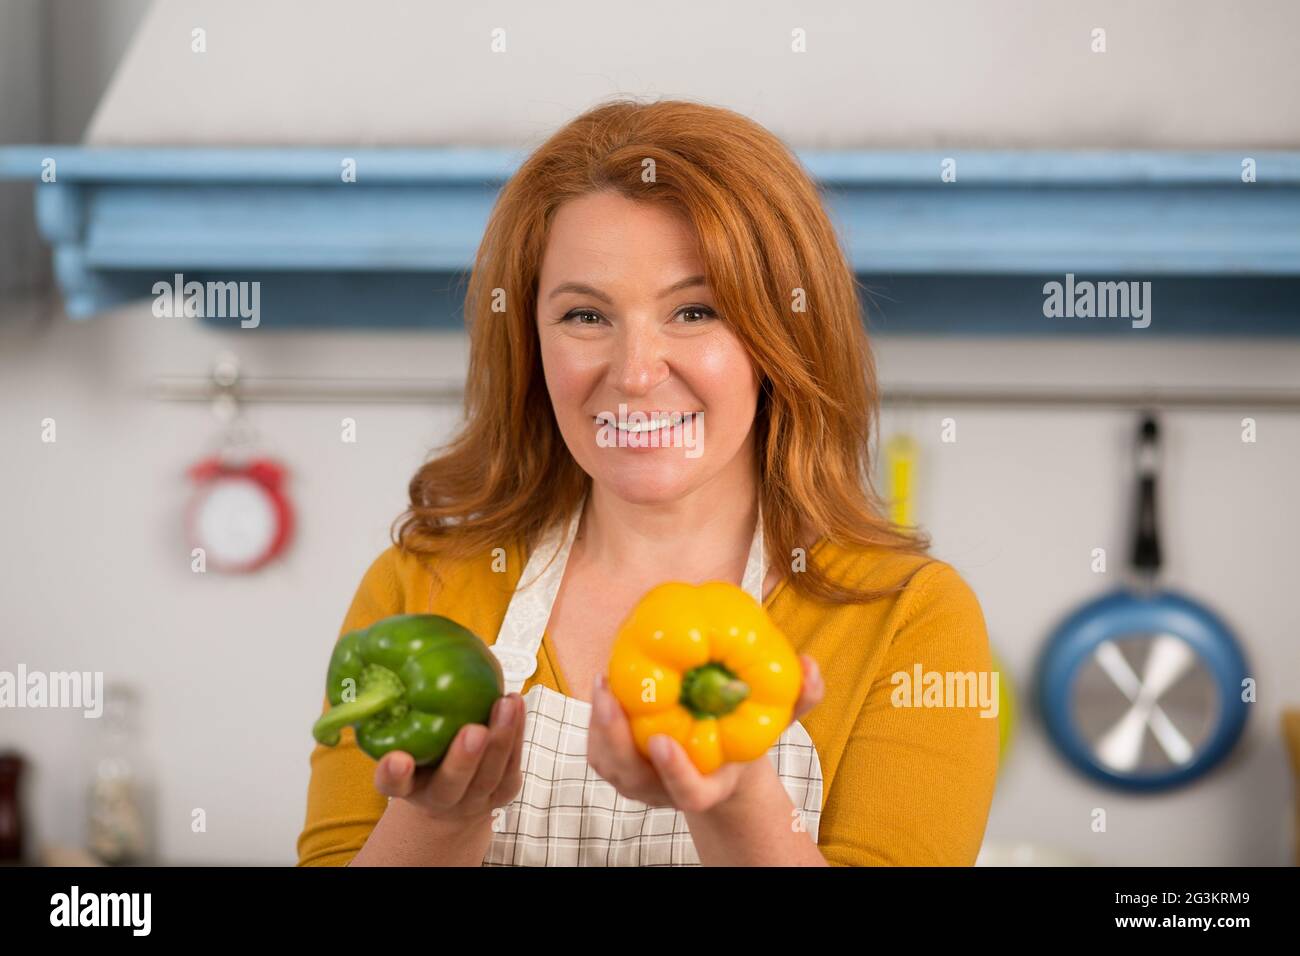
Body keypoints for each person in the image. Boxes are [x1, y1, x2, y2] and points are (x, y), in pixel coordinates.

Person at [297, 97, 998, 866]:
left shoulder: (911, 620)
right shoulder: (419, 588)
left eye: (695, 312)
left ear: (784, 336)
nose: (634, 375)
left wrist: (737, 803)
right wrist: (439, 823)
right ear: (531, 341)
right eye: (585, 317)